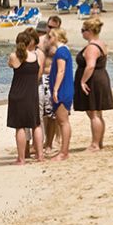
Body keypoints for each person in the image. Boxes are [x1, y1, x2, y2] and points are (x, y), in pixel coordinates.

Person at [73, 17, 113, 150]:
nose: (82, 33)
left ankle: (95, 144)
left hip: (94, 80)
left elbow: (90, 66)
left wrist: (83, 81)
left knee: (93, 113)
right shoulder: (100, 43)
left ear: (89, 31)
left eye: (83, 30)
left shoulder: (92, 47)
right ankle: (99, 142)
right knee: (97, 113)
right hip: (100, 78)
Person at [7, 31, 45, 165]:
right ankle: (40, 156)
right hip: (32, 93)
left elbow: (10, 64)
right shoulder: (36, 56)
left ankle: (21, 158)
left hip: (17, 94)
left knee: (20, 127)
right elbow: (39, 74)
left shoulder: (14, 56)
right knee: (36, 125)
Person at [48, 28, 74, 160]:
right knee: (62, 121)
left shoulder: (61, 51)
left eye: (51, 36)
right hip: (65, 88)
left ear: (56, 37)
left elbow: (61, 71)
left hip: (63, 89)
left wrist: (55, 89)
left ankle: (64, 152)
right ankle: (64, 151)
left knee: (63, 121)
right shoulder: (63, 50)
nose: (49, 39)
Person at [36, 20, 57, 152]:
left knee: (48, 114)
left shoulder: (53, 42)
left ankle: (46, 143)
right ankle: (45, 143)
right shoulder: (44, 42)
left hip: (47, 78)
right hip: (46, 78)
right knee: (45, 114)